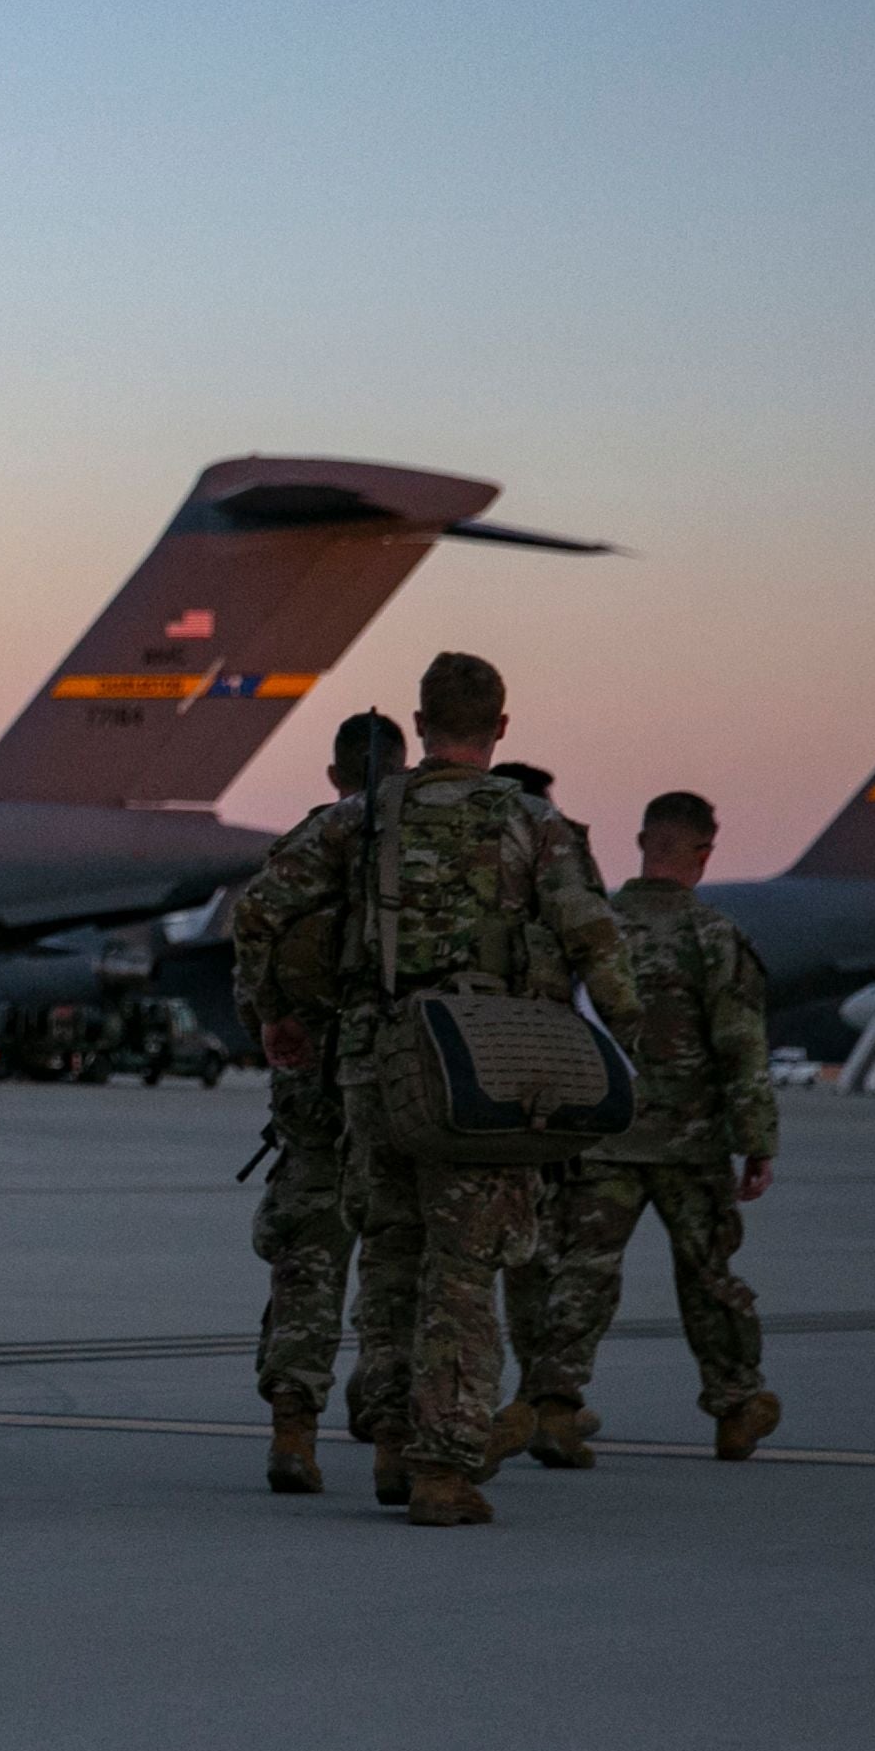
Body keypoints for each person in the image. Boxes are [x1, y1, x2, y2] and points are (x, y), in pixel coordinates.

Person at [230, 653, 637, 1527]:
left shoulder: (360, 817)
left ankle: (384, 1442)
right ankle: (442, 1465)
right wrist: (622, 1046)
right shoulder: (536, 823)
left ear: (417, 727)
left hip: (375, 1061)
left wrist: (274, 1015)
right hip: (483, 1064)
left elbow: (258, 909)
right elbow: (596, 942)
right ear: (499, 725)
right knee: (463, 1266)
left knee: (389, 1251)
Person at [500, 791, 781, 1466]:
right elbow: (740, 1045)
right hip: (690, 1143)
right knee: (708, 1274)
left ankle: (554, 1407)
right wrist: (757, 1141)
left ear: (640, 843)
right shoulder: (712, 936)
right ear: (704, 854)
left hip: (599, 1134)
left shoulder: (595, 927)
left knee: (582, 1272)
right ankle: (735, 1403)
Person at [228, 708, 403, 1494]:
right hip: (415, 1079)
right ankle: (396, 1434)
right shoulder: (429, 838)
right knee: (408, 1255)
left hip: (319, 1079)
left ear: (334, 774)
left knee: (309, 1252)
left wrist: (270, 1017)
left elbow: (254, 918)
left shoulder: (317, 836)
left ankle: (293, 1431)